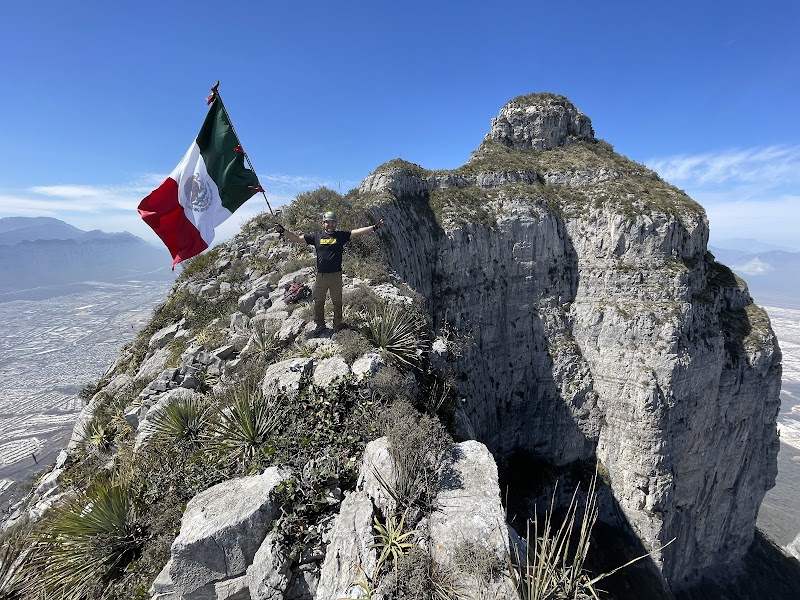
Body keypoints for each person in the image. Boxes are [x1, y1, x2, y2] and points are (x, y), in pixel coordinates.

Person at [274, 211, 385, 332]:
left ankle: (337, 324)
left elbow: (357, 232)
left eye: (333, 222)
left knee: (337, 301)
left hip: (336, 275)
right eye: (328, 222)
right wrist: (282, 230)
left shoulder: (341, 236)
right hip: (321, 276)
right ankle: (320, 324)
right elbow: (296, 238)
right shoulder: (316, 236)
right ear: (323, 223)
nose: (330, 224)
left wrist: (374, 227)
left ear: (336, 223)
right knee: (319, 301)